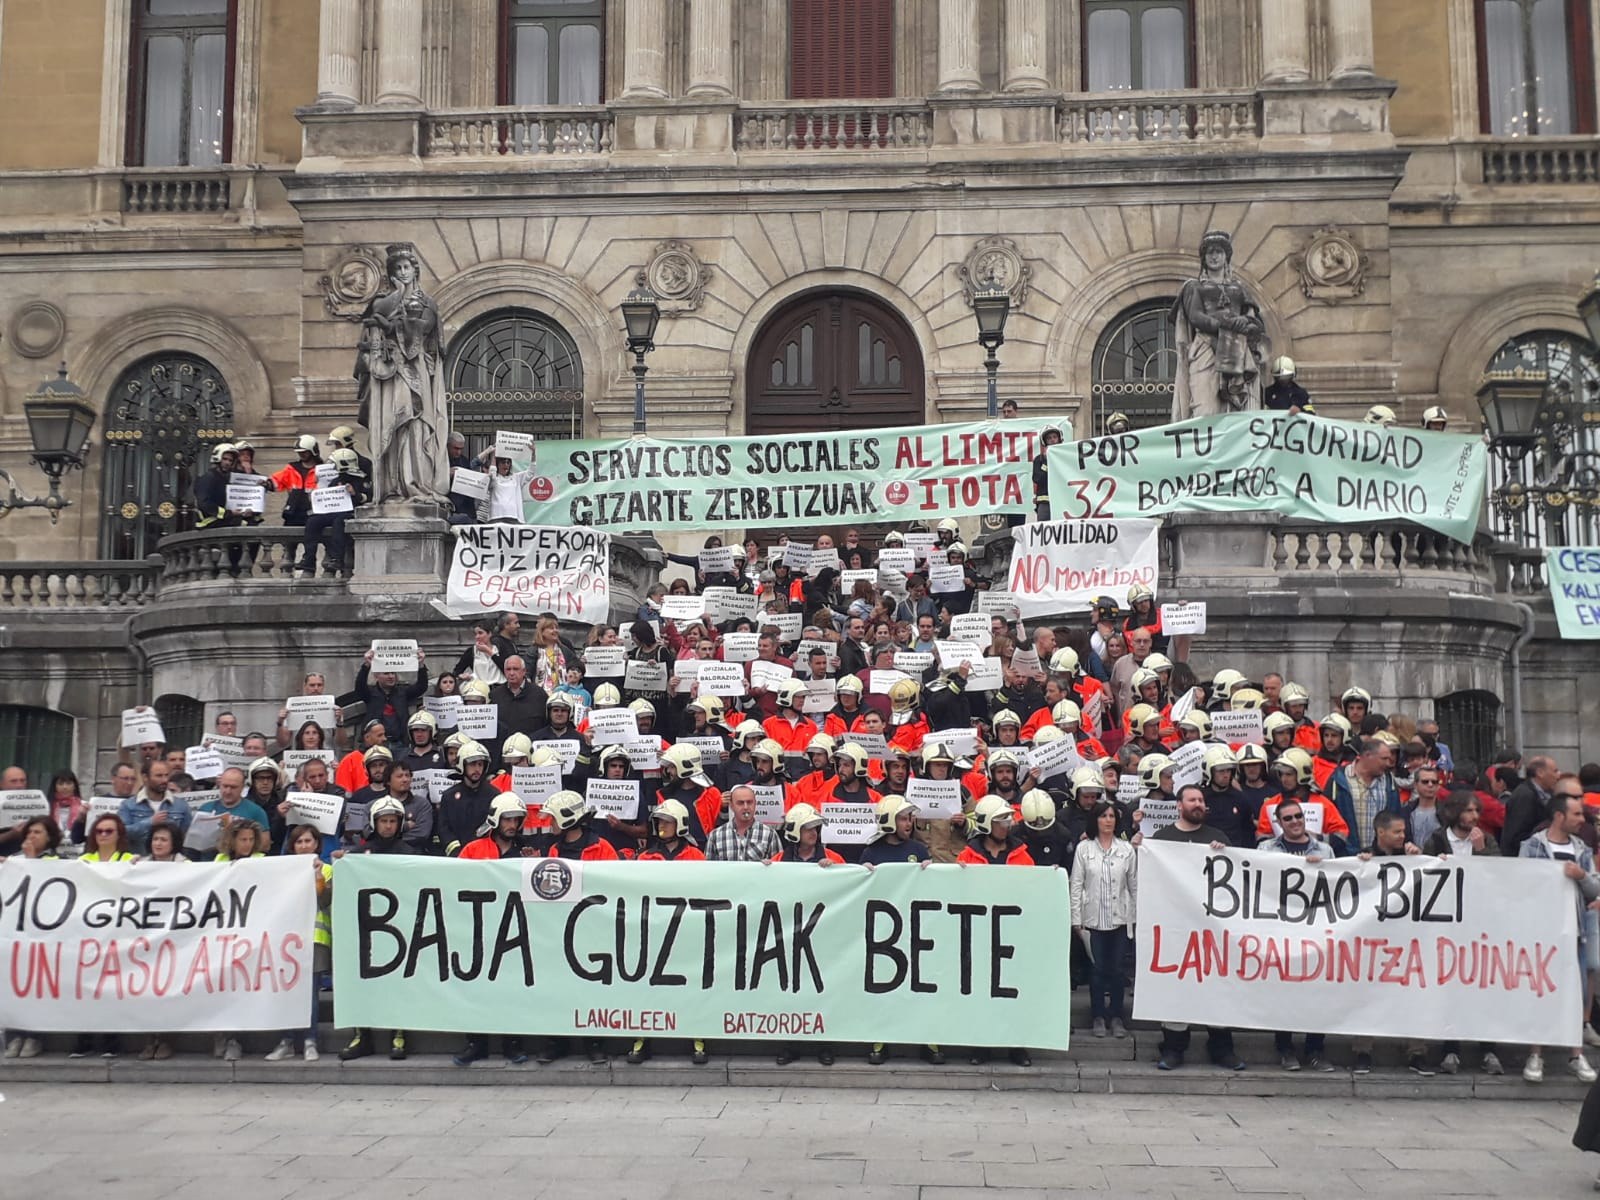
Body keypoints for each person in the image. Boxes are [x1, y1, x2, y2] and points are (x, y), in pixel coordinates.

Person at [1153, 785, 1245, 1072]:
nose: (1198, 804)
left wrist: (1225, 854)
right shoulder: (1162, 839)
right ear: (1179, 805)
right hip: (1175, 928)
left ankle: (1222, 1047)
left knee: (1217, 988)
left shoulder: (1217, 838)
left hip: (1212, 930)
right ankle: (1174, 1048)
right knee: (1176, 987)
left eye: (1201, 800)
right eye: (1192, 799)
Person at [1518, 788, 1600, 1085]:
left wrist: (1582, 876)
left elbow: (1594, 890)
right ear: (1558, 816)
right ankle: (1535, 1053)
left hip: (1574, 932)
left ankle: (1576, 1055)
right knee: (1540, 991)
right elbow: (1520, 886)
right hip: (1541, 933)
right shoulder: (1531, 847)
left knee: (1574, 993)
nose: (1583, 819)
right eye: (1577, 813)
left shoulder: (1582, 851)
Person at [338, 796, 416, 1062]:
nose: (388, 826)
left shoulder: (409, 853)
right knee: (361, 983)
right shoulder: (359, 854)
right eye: (384, 821)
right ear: (374, 823)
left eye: (393, 821)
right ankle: (362, 1035)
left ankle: (399, 1033)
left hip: (399, 928)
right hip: (366, 928)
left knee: (399, 981)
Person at [1070, 800, 1136, 1040]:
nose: (1108, 820)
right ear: (1095, 820)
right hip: (1092, 918)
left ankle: (1117, 1016)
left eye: (1112, 816)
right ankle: (1098, 1015)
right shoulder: (1084, 849)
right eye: (1104, 816)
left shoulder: (1126, 849)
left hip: (1120, 918)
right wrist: (1076, 919)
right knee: (1097, 970)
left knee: (1117, 970)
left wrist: (1135, 917)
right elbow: (1076, 884)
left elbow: (1134, 886)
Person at [265, 825, 331, 1063]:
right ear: (292, 846)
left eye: (308, 841)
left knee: (311, 993)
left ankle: (310, 1040)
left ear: (317, 845)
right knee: (287, 992)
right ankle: (287, 1041)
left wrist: (318, 876)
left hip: (315, 939)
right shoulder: (282, 872)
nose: (304, 846)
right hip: (287, 941)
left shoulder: (328, 870)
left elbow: (325, 901)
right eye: (299, 842)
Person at [296, 446, 370, 576]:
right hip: (334, 511)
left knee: (339, 523)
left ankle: (337, 559)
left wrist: (355, 494)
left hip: (352, 513)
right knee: (313, 521)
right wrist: (315, 498)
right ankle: (308, 559)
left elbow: (369, 498)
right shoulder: (337, 480)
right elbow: (327, 498)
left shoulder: (362, 480)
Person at [118, 758, 191, 854]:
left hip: (171, 863)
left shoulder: (181, 806)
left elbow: (185, 838)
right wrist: (149, 822)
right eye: (159, 776)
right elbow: (122, 834)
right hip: (139, 862)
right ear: (145, 777)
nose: (164, 780)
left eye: (166, 775)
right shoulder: (128, 805)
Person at [705, 783, 781, 861]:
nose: (745, 807)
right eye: (740, 803)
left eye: (749, 802)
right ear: (731, 805)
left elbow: (779, 868)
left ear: (755, 804)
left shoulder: (769, 834)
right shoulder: (716, 836)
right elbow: (709, 869)